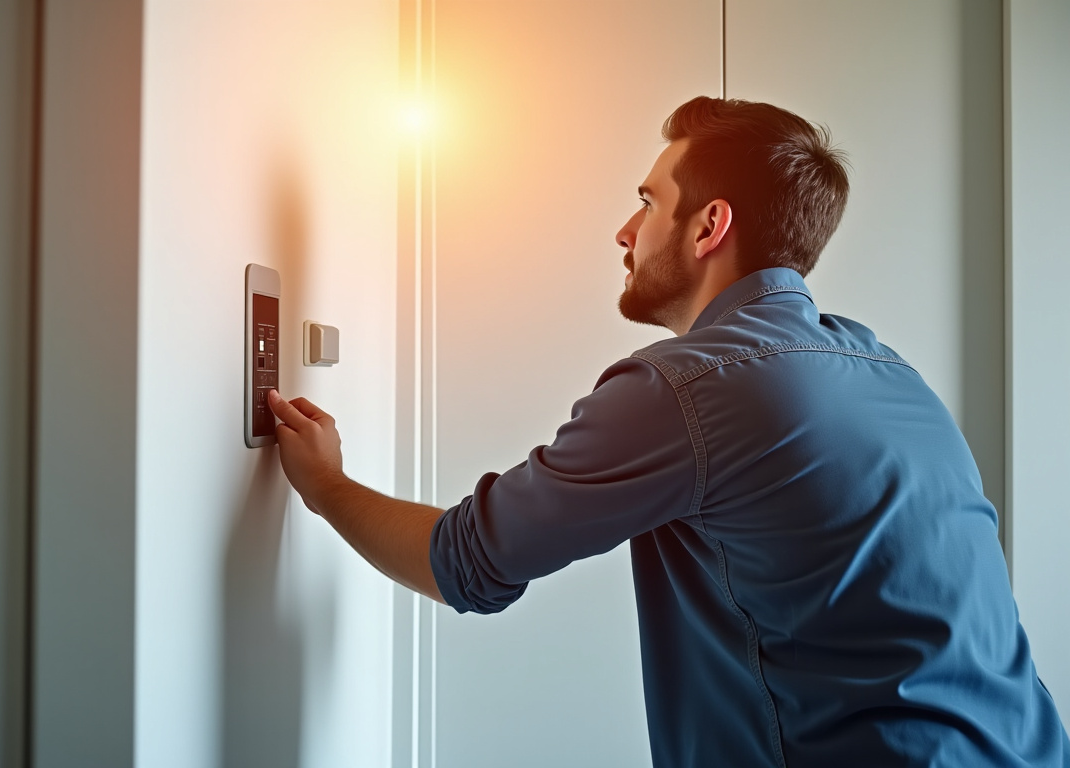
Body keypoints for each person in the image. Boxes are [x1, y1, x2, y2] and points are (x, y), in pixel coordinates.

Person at [264, 96, 1070, 768]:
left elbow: (467, 565)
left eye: (647, 201)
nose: (625, 231)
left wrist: (328, 487)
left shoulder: (686, 387)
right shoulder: (889, 370)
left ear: (708, 225)